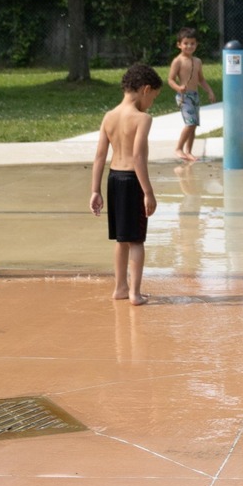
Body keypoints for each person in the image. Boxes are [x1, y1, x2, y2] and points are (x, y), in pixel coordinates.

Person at [91, 62, 161, 304]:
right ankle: (135, 293)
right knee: (137, 241)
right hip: (132, 182)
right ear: (146, 89)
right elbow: (139, 157)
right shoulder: (142, 118)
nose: (152, 102)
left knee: (121, 239)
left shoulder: (109, 116)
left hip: (113, 180)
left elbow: (100, 156)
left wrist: (94, 191)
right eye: (154, 97)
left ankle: (120, 288)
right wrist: (148, 192)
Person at [167, 28, 216, 163]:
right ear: (179, 45)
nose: (189, 46)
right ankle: (178, 148)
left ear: (196, 44)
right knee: (190, 124)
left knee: (194, 125)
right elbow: (170, 79)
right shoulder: (178, 61)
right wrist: (178, 87)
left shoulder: (198, 61)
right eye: (186, 43)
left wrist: (209, 91)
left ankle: (188, 151)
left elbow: (201, 79)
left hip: (195, 95)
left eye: (192, 43)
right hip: (184, 96)